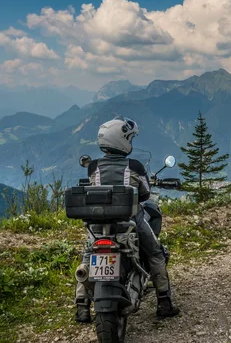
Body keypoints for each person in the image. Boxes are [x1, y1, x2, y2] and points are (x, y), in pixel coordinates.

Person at [75, 116, 180, 323]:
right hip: (129, 222)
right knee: (155, 253)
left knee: (87, 257)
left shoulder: (93, 167)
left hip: (99, 226)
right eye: (129, 139)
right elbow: (145, 194)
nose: (131, 143)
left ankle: (81, 306)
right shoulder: (135, 166)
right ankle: (164, 302)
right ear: (121, 140)